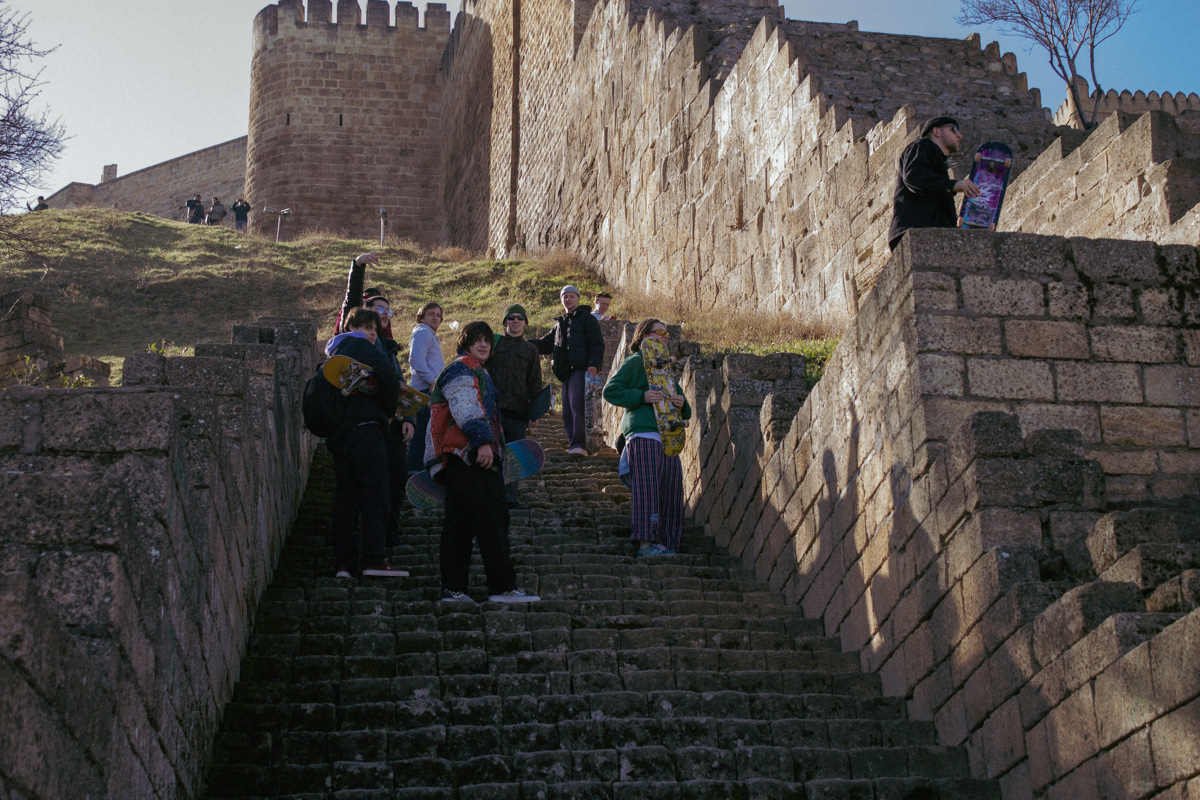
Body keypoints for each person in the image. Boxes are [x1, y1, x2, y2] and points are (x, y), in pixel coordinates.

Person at [426, 321, 539, 604]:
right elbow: (465, 406)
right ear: (465, 343)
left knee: (460, 524)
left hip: (457, 456)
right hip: (469, 454)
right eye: (476, 339)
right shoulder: (463, 367)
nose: (483, 344)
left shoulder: (474, 369)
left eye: (487, 340)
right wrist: (482, 442)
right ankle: (502, 587)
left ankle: (454, 589)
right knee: (493, 519)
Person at [335, 252, 415, 545]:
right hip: (364, 422)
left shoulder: (389, 349)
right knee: (364, 484)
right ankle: (363, 540)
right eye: (377, 308)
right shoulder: (356, 342)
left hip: (391, 423)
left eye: (387, 310)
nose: (383, 313)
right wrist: (357, 265)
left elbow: (401, 385)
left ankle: (389, 530)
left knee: (396, 477)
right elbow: (351, 303)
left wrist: (409, 418)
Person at [323, 307, 407, 579]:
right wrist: (389, 411)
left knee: (346, 498)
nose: (373, 334)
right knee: (375, 492)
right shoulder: (362, 347)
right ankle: (374, 558)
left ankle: (344, 564)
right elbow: (389, 375)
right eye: (368, 327)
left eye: (375, 330)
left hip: (340, 436)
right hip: (367, 431)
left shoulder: (335, 354)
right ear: (352, 328)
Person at [603, 319, 691, 557]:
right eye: (659, 332)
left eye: (666, 333)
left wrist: (682, 404)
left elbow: (686, 410)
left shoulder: (664, 369)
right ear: (643, 336)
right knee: (647, 489)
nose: (665, 337)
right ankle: (645, 544)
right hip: (643, 433)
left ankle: (668, 544)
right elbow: (610, 390)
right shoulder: (635, 361)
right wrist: (642, 396)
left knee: (672, 491)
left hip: (668, 437)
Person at [887, 116, 980, 251]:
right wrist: (953, 185)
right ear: (936, 131)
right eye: (954, 129)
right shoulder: (923, 145)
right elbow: (914, 177)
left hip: (927, 233)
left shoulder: (937, 160)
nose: (960, 135)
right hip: (917, 232)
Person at [533, 285, 604, 455]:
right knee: (567, 412)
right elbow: (545, 344)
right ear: (561, 300)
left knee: (577, 405)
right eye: (565, 296)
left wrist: (593, 363)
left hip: (580, 368)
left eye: (572, 296)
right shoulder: (560, 324)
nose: (568, 299)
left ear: (578, 299)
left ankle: (580, 444)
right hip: (565, 372)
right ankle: (575, 444)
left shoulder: (587, 319)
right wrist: (523, 344)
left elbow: (597, 343)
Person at [485, 304, 544, 508]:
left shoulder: (530, 350)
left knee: (514, 454)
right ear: (505, 322)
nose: (516, 321)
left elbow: (535, 383)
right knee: (491, 452)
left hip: (518, 411)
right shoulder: (493, 344)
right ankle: (490, 494)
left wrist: (535, 413)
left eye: (520, 318)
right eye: (511, 318)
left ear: (525, 323)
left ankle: (510, 497)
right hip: (493, 410)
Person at [408, 301, 444, 470]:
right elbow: (415, 359)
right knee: (423, 435)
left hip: (427, 390)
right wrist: (431, 380)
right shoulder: (422, 332)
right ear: (421, 317)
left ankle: (417, 471)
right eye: (431, 314)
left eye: (438, 315)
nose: (435, 318)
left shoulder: (428, 334)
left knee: (424, 435)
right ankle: (416, 471)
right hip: (424, 391)